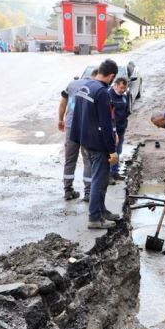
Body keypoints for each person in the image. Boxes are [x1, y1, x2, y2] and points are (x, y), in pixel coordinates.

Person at [70, 59, 120, 229]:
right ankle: (94, 218)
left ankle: (101, 210)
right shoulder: (102, 92)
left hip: (85, 140)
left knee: (100, 178)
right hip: (98, 144)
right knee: (100, 179)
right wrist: (112, 150)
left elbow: (77, 114)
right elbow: (105, 124)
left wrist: (76, 138)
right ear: (112, 76)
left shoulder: (86, 87)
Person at [58, 72, 96, 201]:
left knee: (70, 159)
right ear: (96, 76)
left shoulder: (72, 84)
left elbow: (63, 103)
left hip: (70, 126)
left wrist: (60, 119)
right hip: (87, 128)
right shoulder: (96, 86)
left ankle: (68, 191)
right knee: (88, 160)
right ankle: (88, 193)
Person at [108, 77, 130, 184]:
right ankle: (108, 175)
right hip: (112, 130)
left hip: (121, 129)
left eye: (125, 88)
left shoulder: (125, 97)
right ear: (116, 85)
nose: (123, 90)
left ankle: (114, 172)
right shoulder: (109, 96)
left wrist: (124, 125)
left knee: (118, 151)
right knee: (111, 153)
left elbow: (126, 112)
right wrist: (113, 130)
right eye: (121, 88)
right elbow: (108, 116)